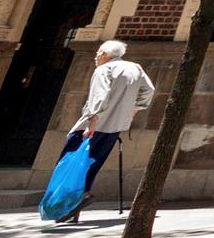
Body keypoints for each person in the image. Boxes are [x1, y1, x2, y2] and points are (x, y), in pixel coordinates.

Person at [54, 39, 155, 225]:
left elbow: (98, 96)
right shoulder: (135, 68)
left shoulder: (103, 69)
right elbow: (149, 90)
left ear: (105, 54)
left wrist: (92, 120)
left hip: (92, 127)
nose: (96, 56)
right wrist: (134, 110)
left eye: (98, 53)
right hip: (115, 127)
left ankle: (73, 202)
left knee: (68, 164)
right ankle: (76, 206)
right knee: (91, 164)